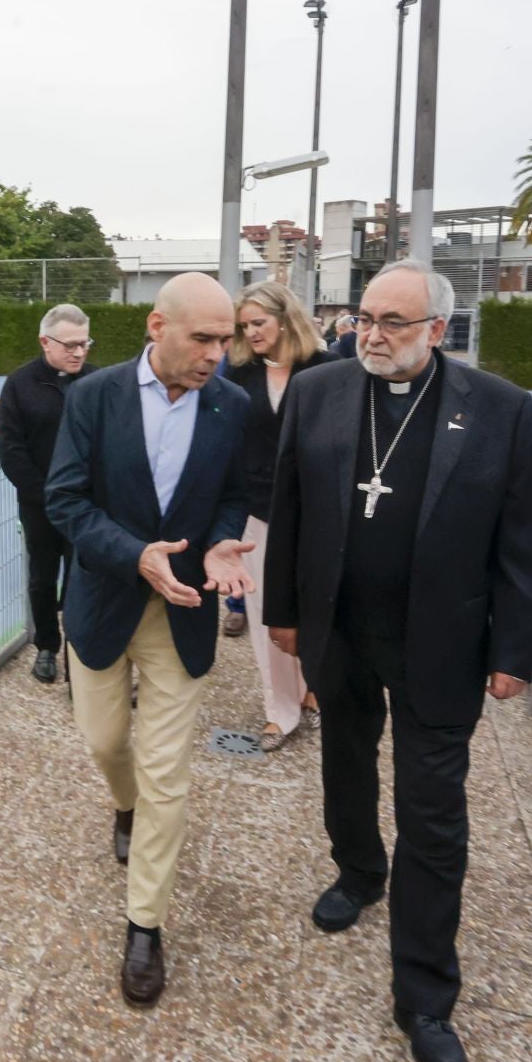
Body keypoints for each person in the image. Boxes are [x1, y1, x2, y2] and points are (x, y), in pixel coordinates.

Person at [262, 259, 532, 1062]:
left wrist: (514, 651)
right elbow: (289, 506)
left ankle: (424, 997)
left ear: (436, 331)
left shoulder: (498, 410)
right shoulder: (318, 393)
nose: (370, 334)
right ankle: (357, 873)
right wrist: (282, 613)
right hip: (340, 629)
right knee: (345, 765)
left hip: (441, 643)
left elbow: (521, 543)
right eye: (364, 317)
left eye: (391, 323)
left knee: (433, 813)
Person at [46, 273, 255, 1008]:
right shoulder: (92, 397)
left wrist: (225, 541)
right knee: (107, 744)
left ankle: (145, 924)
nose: (217, 355)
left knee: (168, 772)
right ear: (155, 326)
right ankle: (121, 804)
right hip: (105, 604)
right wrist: (136, 554)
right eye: (203, 339)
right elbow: (64, 500)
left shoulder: (234, 405)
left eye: (226, 340)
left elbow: (237, 493)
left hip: (185, 612)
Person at [221, 279, 332, 752]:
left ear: (286, 319)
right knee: (266, 615)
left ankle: (314, 688)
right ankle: (278, 713)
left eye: (258, 323)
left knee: (316, 610)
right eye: (244, 326)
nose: (251, 333)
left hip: (318, 515)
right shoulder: (238, 374)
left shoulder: (329, 370)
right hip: (257, 514)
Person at [0, 304, 98, 683]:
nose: (78, 351)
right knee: (42, 578)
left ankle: (78, 650)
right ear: (45, 342)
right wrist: (46, 496)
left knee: (82, 578)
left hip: (87, 508)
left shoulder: (97, 383)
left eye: (84, 343)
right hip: (39, 507)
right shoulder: (19, 384)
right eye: (70, 344)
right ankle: (47, 647)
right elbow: (12, 451)